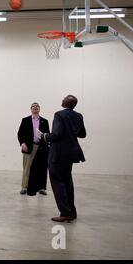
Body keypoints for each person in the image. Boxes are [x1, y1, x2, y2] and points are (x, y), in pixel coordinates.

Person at [38, 95, 86, 223]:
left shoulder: (59, 115)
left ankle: (65, 213)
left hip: (58, 154)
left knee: (58, 183)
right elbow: (82, 134)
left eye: (64, 98)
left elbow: (57, 134)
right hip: (71, 153)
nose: (62, 99)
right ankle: (72, 212)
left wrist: (45, 136)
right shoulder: (79, 116)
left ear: (66, 103)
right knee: (67, 182)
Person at [17, 102, 50, 196]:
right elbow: (20, 133)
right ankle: (24, 187)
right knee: (27, 167)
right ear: (31, 109)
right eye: (33, 106)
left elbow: (47, 134)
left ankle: (41, 188)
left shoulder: (45, 121)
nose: (35, 107)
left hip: (41, 148)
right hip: (28, 147)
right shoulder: (25, 120)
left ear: (39, 109)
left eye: (37, 106)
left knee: (42, 168)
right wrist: (22, 143)